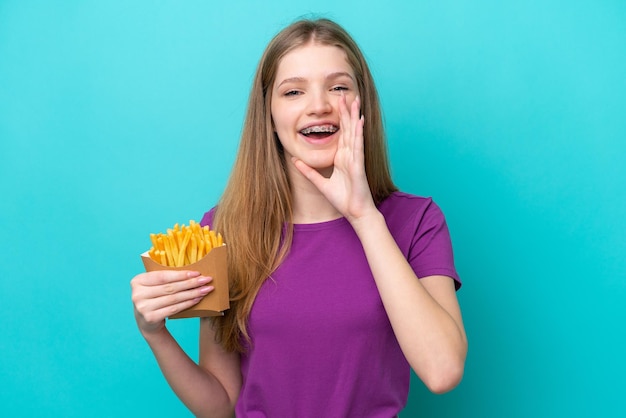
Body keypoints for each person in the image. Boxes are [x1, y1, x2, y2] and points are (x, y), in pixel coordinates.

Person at [131, 17, 467, 417]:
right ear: (269, 115)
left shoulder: (416, 221)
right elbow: (222, 404)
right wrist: (155, 334)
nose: (319, 105)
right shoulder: (223, 229)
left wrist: (363, 216)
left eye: (339, 87)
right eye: (293, 91)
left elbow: (442, 370)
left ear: (363, 106)